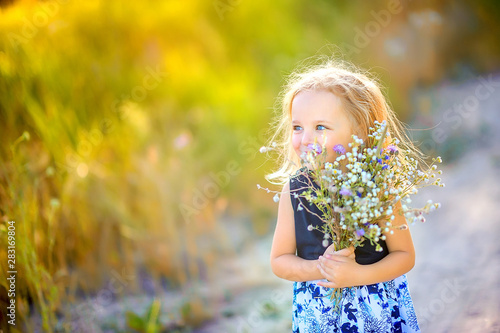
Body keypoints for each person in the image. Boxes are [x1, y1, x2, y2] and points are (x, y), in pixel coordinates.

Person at [267, 59, 421, 332]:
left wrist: (357, 275)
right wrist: (322, 269)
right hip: (319, 315)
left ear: (360, 131)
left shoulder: (377, 185)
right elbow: (279, 261)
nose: (305, 139)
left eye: (321, 128)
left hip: (377, 315)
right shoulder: (296, 189)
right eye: (297, 127)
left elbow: (405, 255)